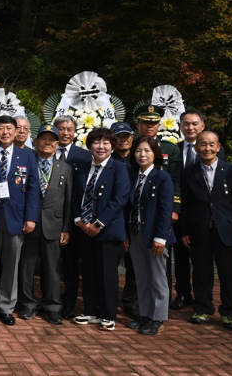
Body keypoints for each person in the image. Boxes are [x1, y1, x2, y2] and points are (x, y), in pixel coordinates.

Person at [179, 131, 232, 330]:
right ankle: (202, 307)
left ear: (218, 147)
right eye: (202, 144)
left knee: (227, 273)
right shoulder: (188, 173)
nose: (207, 148)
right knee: (201, 271)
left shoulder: (231, 170)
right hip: (199, 230)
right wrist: (184, 231)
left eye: (211, 145)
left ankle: (228, 312)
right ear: (196, 147)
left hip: (227, 229)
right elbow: (184, 205)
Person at [0, 116, 39, 326]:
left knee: (11, 266)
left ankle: (6, 306)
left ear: (16, 132)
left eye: (9, 128)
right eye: (0, 128)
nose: (5, 132)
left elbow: (33, 188)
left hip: (17, 218)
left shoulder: (27, 156)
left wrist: (31, 217)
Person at [72, 127, 130, 332]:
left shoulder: (119, 168)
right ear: (89, 146)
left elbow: (120, 199)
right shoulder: (83, 167)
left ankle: (108, 314)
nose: (101, 146)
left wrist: (98, 224)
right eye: (96, 142)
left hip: (107, 231)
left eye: (106, 142)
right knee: (88, 272)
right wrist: (80, 220)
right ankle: (90, 311)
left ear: (112, 146)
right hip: (84, 229)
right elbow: (76, 195)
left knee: (107, 274)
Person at [18, 124, 72, 326]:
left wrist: (66, 228)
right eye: (43, 139)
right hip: (29, 224)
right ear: (37, 141)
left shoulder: (65, 169)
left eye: (52, 139)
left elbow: (68, 201)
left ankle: (51, 306)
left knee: (52, 269)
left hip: (54, 225)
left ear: (58, 143)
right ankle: (28, 304)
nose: (47, 142)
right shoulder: (27, 162)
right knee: (27, 267)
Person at [171, 110, 225, 310]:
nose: (190, 127)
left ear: (202, 126)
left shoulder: (215, 148)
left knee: (203, 259)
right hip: (180, 212)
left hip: (205, 215)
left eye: (194, 124)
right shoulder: (174, 150)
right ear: (180, 127)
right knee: (181, 257)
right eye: (186, 124)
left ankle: (205, 297)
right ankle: (183, 294)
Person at [123, 137, 175, 335]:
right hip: (136, 233)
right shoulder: (133, 176)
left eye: (147, 151)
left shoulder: (162, 178)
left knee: (158, 279)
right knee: (142, 277)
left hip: (155, 237)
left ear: (155, 154)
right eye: (138, 151)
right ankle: (145, 313)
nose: (142, 155)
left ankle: (158, 317)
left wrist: (160, 238)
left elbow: (165, 210)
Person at [53, 115, 93, 319]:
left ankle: (70, 302)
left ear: (75, 132)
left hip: (76, 219)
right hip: (50, 217)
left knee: (71, 264)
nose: (65, 133)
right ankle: (49, 300)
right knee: (50, 264)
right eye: (61, 128)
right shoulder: (44, 151)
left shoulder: (84, 156)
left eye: (69, 129)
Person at [110, 121, 139, 319]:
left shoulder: (139, 160)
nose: (123, 140)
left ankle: (131, 302)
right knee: (110, 265)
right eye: (119, 136)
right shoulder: (105, 161)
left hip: (135, 219)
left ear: (132, 138)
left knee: (134, 266)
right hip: (112, 220)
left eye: (126, 136)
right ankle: (109, 300)